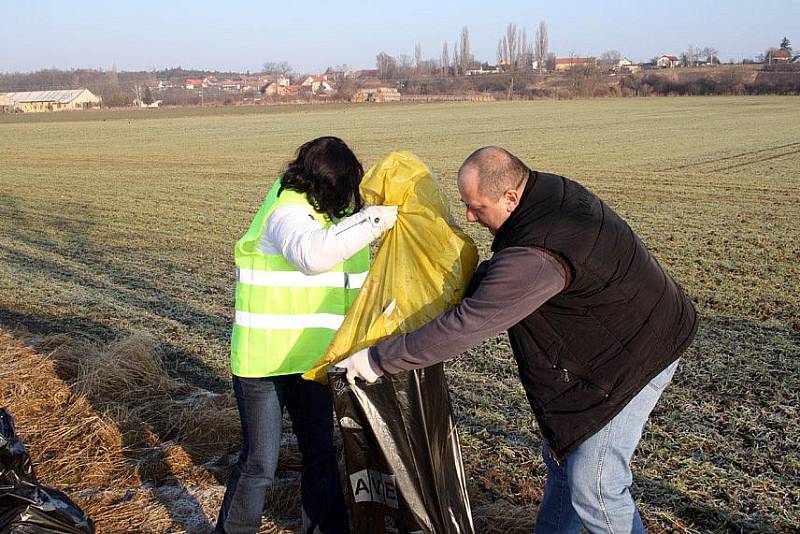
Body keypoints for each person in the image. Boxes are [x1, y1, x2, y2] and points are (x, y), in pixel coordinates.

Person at [335, 146, 697, 534]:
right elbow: (498, 282)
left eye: (477, 207)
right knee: (565, 464)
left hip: (635, 358)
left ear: (510, 196)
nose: (471, 217)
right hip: (613, 338)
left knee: (595, 487)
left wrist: (377, 359)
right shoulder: (542, 194)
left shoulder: (538, 252)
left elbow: (467, 326)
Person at [216, 136, 397, 534]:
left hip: (311, 362)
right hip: (263, 364)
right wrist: (377, 219)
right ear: (321, 183)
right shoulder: (286, 210)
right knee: (260, 463)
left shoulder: (334, 215)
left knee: (320, 454)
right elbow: (312, 257)